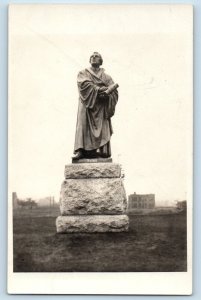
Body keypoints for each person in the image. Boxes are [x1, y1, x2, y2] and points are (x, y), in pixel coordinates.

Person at [73, 52, 119, 160]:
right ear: (89, 60)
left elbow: (114, 92)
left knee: (103, 123)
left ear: (101, 61)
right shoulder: (83, 73)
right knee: (82, 124)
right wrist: (100, 89)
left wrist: (108, 95)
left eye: (96, 56)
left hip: (101, 106)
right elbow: (84, 85)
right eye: (92, 56)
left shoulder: (107, 77)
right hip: (87, 103)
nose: (94, 57)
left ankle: (101, 150)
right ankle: (81, 150)